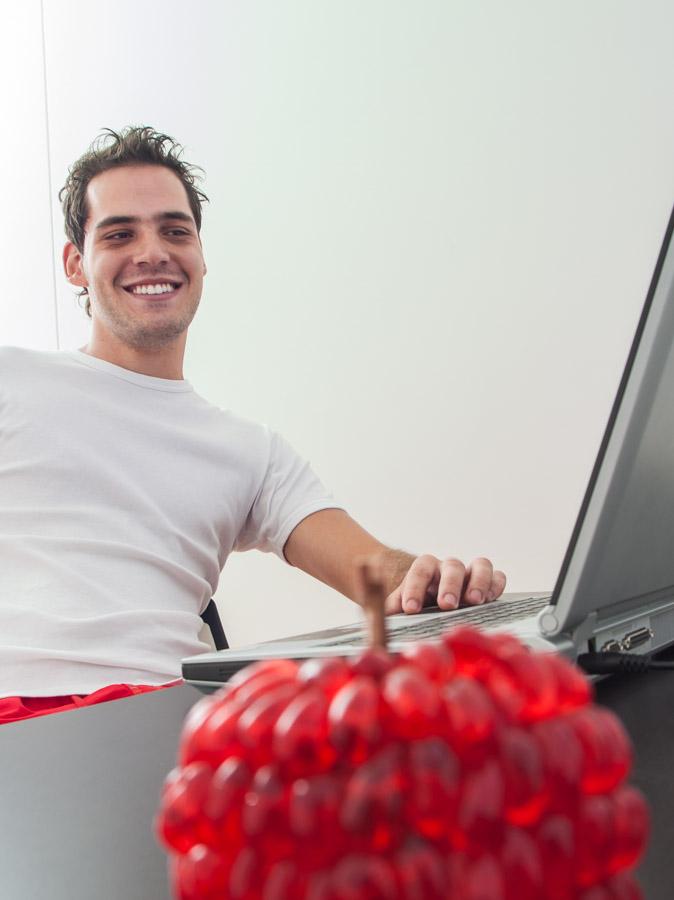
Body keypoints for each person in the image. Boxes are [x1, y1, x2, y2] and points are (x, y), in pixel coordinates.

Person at [0, 126, 506, 723]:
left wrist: (426, 579)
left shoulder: (250, 451)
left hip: (166, 722)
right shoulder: (14, 380)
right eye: (119, 234)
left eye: (174, 230)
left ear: (201, 256)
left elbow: (376, 574)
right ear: (76, 264)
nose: (152, 251)